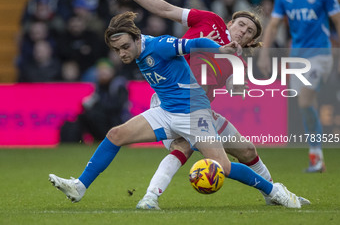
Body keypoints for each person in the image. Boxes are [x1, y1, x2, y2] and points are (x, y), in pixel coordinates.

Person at [49, 11, 303, 209]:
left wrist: (219, 50)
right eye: (117, 49)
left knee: (223, 167)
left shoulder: (159, 45)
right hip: (166, 110)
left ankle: (275, 191)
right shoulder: (137, 51)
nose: (122, 53)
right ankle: (79, 186)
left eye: (125, 47)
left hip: (195, 114)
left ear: (137, 39)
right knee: (116, 134)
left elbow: (191, 44)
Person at [110, 0, 310, 209]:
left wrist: (236, 80)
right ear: (230, 23)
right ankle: (150, 197)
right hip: (172, 102)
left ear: (250, 43)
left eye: (249, 32)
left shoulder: (238, 62)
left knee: (247, 150)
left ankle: (273, 193)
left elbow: (236, 89)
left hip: (199, 110)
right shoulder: (208, 20)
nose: (243, 31)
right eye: (241, 25)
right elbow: (167, 10)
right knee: (182, 146)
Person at [257, 0, 340, 173]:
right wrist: (264, 53)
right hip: (296, 58)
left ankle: (317, 157)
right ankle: (316, 159)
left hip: (320, 55)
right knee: (307, 105)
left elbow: (337, 20)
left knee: (304, 100)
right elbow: (273, 26)